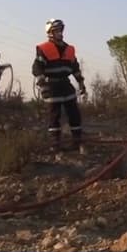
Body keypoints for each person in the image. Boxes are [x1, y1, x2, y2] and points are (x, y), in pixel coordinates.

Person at [32, 18, 87, 152]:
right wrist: (43, 85)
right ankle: (55, 143)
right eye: (57, 30)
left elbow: (75, 67)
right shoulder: (44, 49)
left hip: (66, 85)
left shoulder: (69, 49)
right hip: (52, 86)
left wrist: (81, 83)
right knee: (54, 115)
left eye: (61, 30)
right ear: (50, 32)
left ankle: (77, 141)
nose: (60, 33)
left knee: (74, 113)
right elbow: (37, 68)